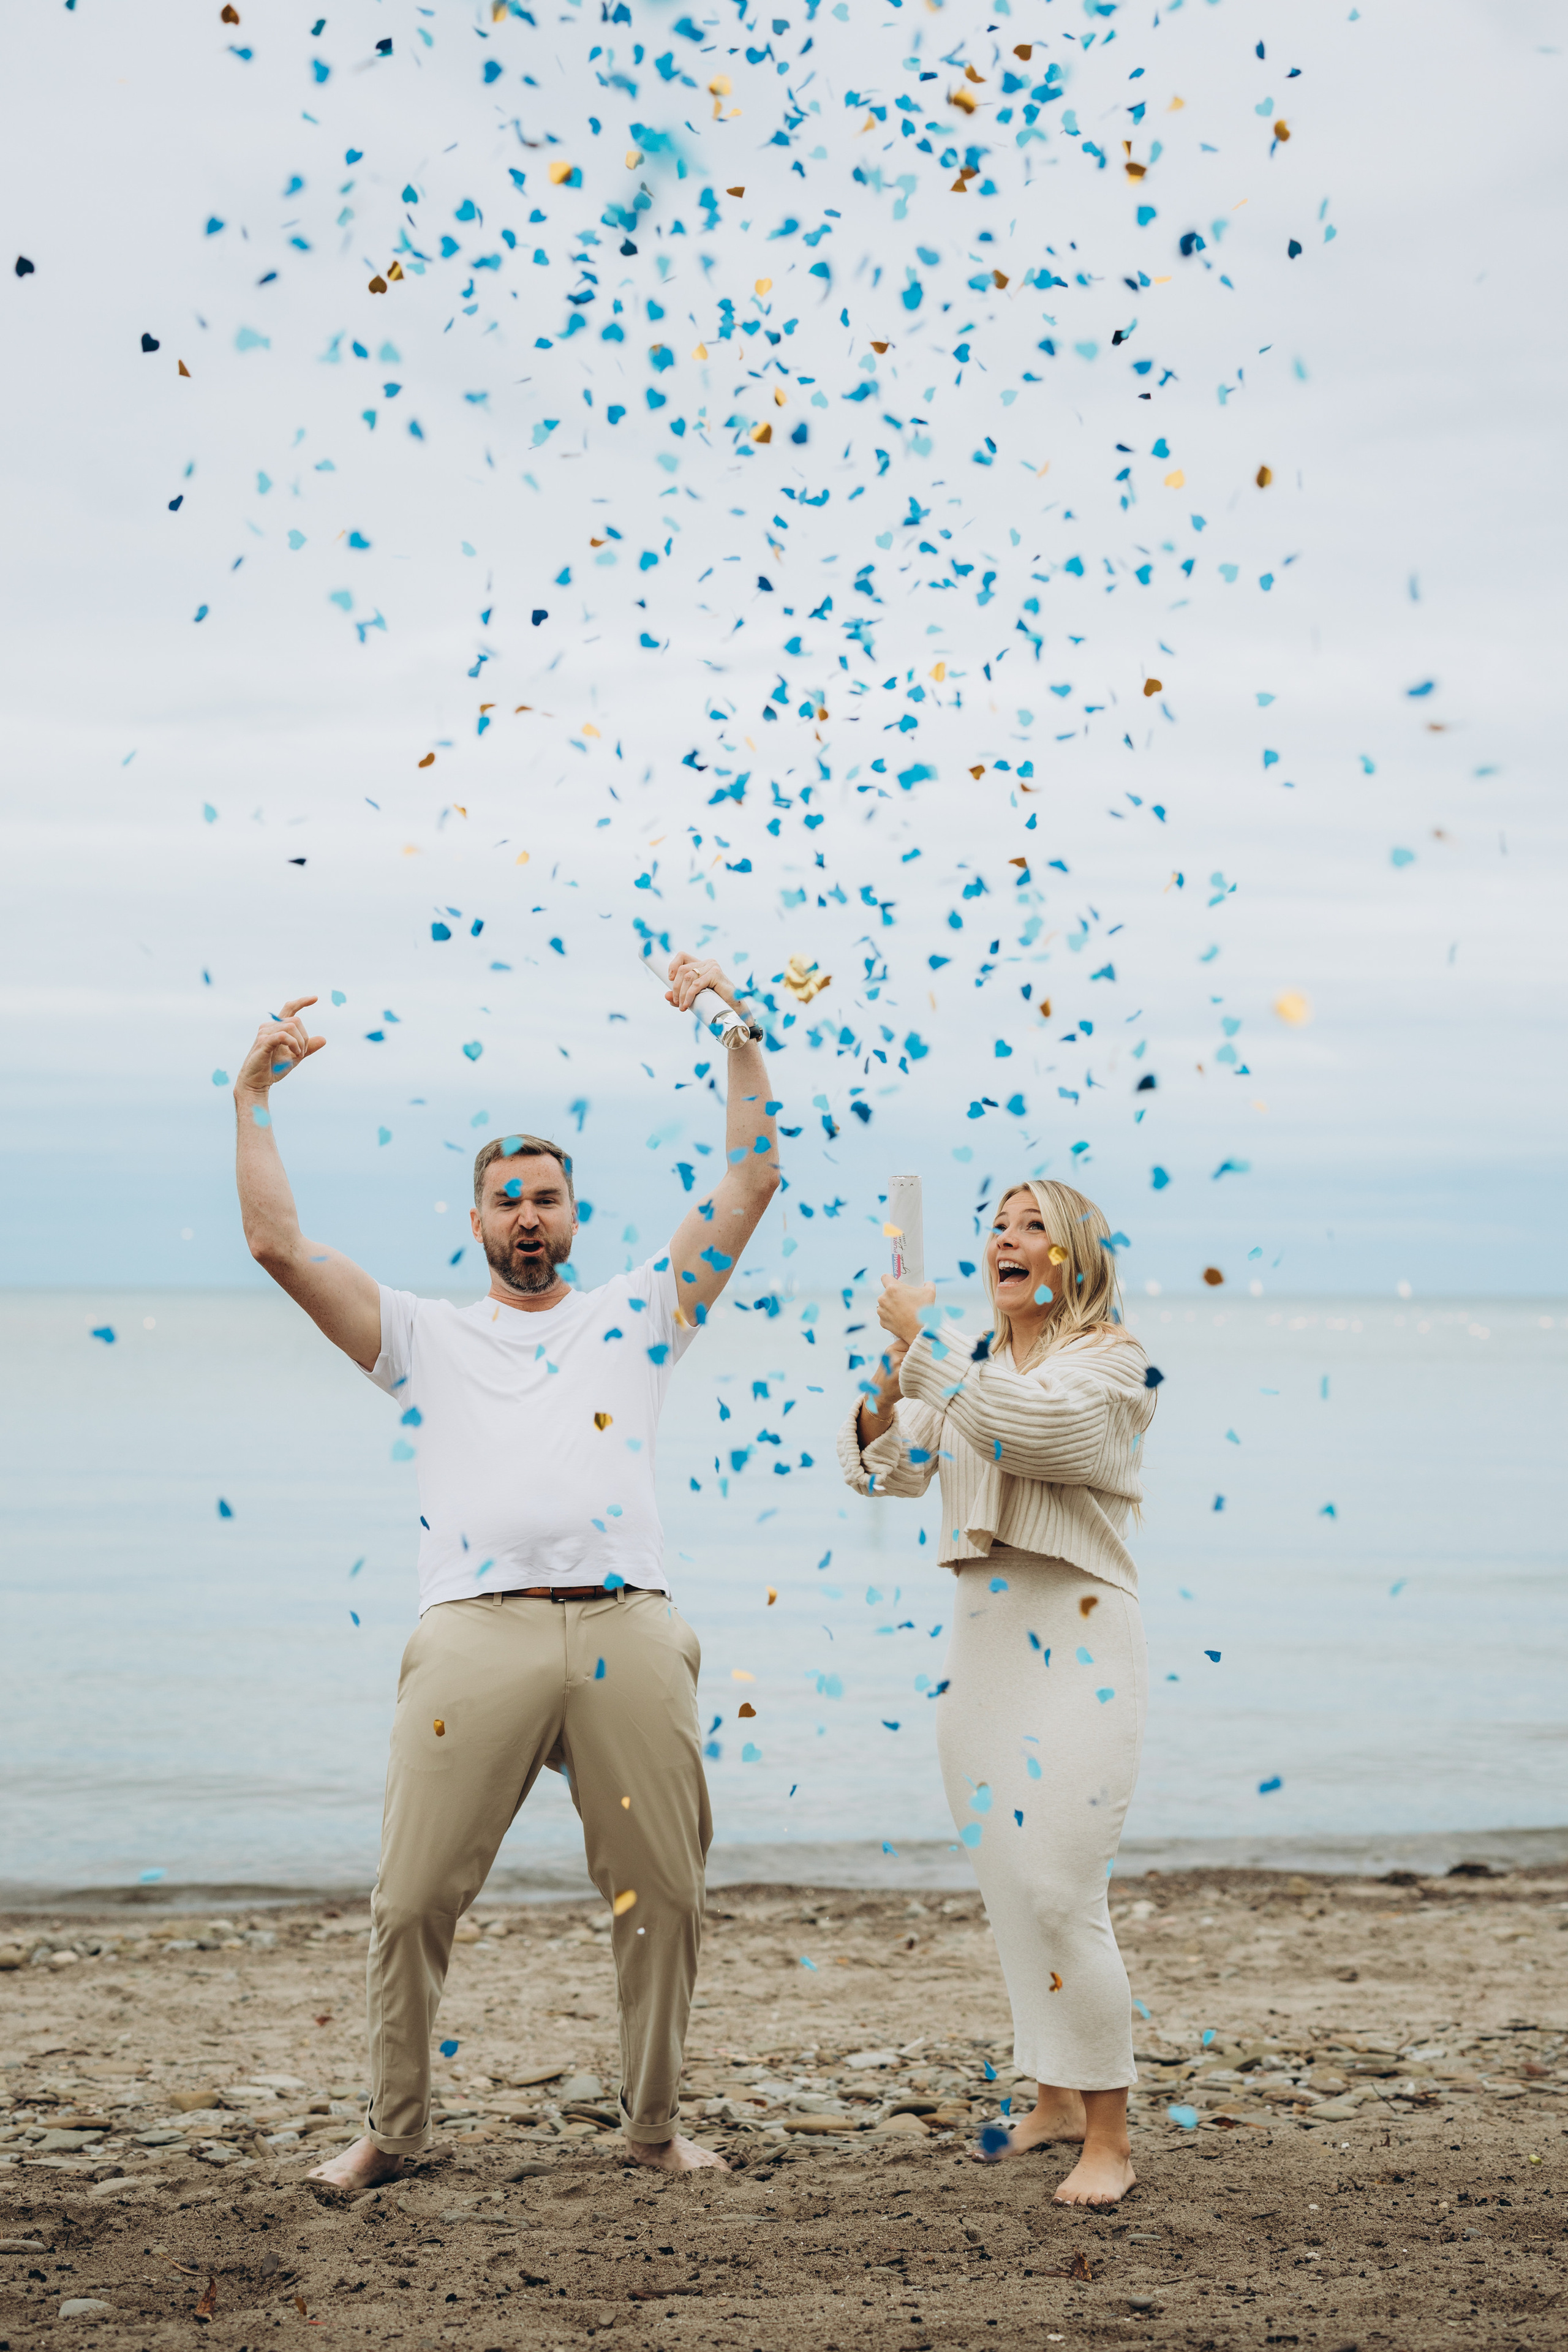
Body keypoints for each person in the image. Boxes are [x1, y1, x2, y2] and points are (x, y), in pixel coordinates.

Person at [230, 959, 778, 2185]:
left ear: (573, 1216)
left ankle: (653, 2130)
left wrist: (734, 1026)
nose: (527, 1215)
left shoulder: (643, 1310)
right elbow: (276, 1245)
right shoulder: (422, 1333)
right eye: (505, 1200)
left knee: (663, 1895)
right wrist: (251, 1098)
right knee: (412, 1896)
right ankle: (392, 2132)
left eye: (545, 1198)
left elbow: (750, 1179)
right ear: (475, 1222)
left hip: (627, 1627)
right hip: (474, 1634)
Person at [837, 1178, 1156, 2207]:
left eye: (1034, 1228)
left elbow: (1036, 1432)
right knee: (1013, 1884)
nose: (1006, 1241)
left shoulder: (1113, 1362)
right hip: (982, 1642)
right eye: (998, 1226)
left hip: (1081, 1635)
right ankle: (1053, 2097)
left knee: (1062, 1885)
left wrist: (926, 1343)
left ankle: (1110, 2136)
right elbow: (884, 1473)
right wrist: (890, 1379)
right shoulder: (967, 1362)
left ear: (1076, 1256)